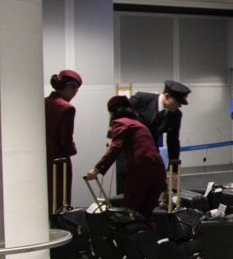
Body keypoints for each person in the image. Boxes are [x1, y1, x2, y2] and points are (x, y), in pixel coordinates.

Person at [87, 96, 166, 220]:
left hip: (141, 171)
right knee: (147, 214)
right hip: (159, 170)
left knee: (129, 212)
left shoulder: (120, 122)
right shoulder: (139, 124)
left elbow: (116, 147)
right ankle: (149, 237)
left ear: (113, 112)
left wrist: (97, 169)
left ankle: (131, 239)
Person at [120, 80, 190, 194]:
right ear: (167, 96)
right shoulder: (141, 99)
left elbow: (173, 142)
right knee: (127, 191)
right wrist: (114, 139)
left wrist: (174, 170)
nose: (180, 105)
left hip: (150, 153)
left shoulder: (176, 115)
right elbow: (119, 114)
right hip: (128, 153)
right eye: (178, 101)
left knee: (150, 188)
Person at [45, 70, 82, 211]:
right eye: (76, 89)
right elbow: (66, 140)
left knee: (46, 197)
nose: (75, 94)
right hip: (59, 161)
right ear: (68, 88)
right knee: (61, 200)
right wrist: (73, 149)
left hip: (43, 160)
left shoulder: (43, 103)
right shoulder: (67, 108)